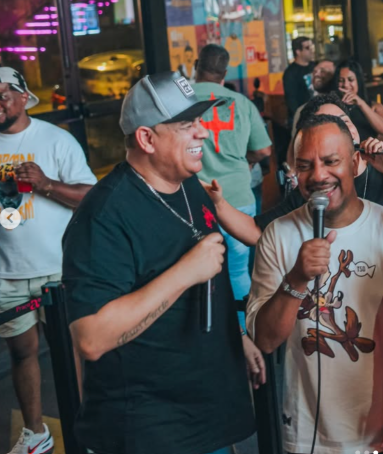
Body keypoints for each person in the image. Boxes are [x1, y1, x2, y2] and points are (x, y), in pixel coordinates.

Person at [62, 71, 261, 454]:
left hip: (207, 413)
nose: (202, 133)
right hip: (150, 428)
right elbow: (91, 338)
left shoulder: (188, 184)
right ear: (147, 138)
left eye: (199, 122)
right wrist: (186, 272)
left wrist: (235, 337)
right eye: (187, 125)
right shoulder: (103, 215)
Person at [247, 114, 383, 454]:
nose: (318, 176)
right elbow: (266, 340)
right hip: (309, 434)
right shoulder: (278, 236)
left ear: (356, 162)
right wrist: (296, 278)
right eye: (305, 165)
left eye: (331, 161)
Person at [0, 67, 96, 454]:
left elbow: (91, 195)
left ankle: (82, 429)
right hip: (6, 271)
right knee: (21, 352)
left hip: (57, 269)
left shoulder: (56, 140)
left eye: (5, 93)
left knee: (68, 352)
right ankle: (36, 433)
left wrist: (46, 185)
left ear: (25, 98)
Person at [259, 93, 383, 229]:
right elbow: (256, 230)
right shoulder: (317, 186)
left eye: (345, 121)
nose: (343, 129)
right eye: (331, 125)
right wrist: (226, 207)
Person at [193, 44, 272, 336]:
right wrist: (243, 159)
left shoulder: (183, 99)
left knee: (199, 272)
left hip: (196, 200)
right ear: (224, 74)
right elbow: (263, 149)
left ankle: (209, 337)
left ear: (196, 65)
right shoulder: (242, 102)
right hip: (238, 196)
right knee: (238, 271)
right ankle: (245, 335)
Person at [337, 59, 383, 142]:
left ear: (358, 81)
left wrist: (360, 102)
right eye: (341, 80)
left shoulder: (374, 106)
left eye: (351, 80)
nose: (346, 85)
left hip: (368, 152)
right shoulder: (334, 107)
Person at [291, 59, 336, 137]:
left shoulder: (343, 105)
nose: (316, 74)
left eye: (323, 71)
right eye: (315, 71)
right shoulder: (303, 110)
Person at [283, 36, 316, 128]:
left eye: (311, 47)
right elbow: (291, 100)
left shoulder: (315, 67)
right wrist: (301, 118)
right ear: (298, 51)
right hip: (302, 119)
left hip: (318, 114)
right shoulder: (290, 73)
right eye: (307, 48)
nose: (311, 50)